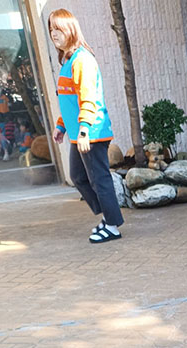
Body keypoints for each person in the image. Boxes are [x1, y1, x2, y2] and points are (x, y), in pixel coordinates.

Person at [48, 8, 124, 244]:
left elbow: (88, 98)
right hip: (78, 134)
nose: (53, 34)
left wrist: (83, 130)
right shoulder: (68, 61)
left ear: (70, 30)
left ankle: (112, 226)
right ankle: (108, 217)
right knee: (79, 177)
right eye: (51, 29)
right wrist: (61, 126)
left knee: (99, 180)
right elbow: (69, 101)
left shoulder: (82, 60)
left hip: (91, 133)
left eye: (58, 29)